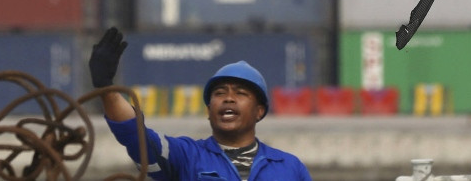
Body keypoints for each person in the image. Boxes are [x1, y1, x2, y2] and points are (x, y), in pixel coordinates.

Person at [90, 27, 312, 180]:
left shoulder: (289, 167)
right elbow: (137, 137)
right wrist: (106, 89)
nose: (228, 98)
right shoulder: (186, 156)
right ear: (209, 110)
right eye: (220, 93)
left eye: (240, 93)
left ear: (259, 111)